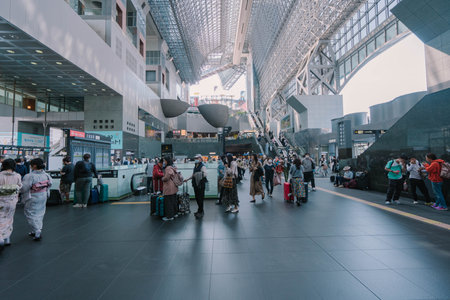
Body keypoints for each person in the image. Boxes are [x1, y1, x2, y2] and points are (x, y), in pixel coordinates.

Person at [21, 158, 52, 241]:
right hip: (43, 195)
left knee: (30, 213)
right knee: (40, 213)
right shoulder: (46, 175)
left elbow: (24, 188)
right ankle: (36, 230)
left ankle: (36, 230)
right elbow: (50, 184)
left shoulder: (29, 176)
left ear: (34, 166)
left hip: (33, 196)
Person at [0, 159, 22, 251]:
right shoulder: (17, 176)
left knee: (1, 219)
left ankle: (0, 238)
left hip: (1, 201)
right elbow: (20, 186)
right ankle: (7, 238)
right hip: (12, 201)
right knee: (9, 219)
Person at [184, 154, 207, 218]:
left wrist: (196, 174)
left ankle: (201, 211)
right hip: (195, 184)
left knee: (200, 198)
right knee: (197, 197)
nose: (196, 159)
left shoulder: (202, 166)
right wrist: (188, 179)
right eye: (195, 158)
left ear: (201, 159)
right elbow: (193, 174)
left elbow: (205, 174)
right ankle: (199, 210)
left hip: (200, 184)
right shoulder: (196, 166)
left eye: (197, 158)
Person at [161, 156, 179, 221]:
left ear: (167, 161)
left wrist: (162, 178)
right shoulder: (173, 167)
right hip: (174, 187)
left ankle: (170, 216)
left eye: (164, 161)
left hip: (169, 187)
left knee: (168, 202)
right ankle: (175, 213)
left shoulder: (168, 168)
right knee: (174, 201)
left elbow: (166, 178)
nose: (163, 162)